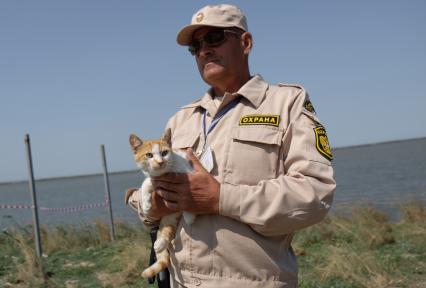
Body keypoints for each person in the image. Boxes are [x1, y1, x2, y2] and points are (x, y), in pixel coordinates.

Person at [127, 4, 336, 288]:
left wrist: (220, 198)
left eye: (214, 38)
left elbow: (315, 194)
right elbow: (155, 207)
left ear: (245, 42)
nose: (203, 51)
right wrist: (150, 204)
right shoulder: (180, 120)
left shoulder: (287, 104)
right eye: (195, 46)